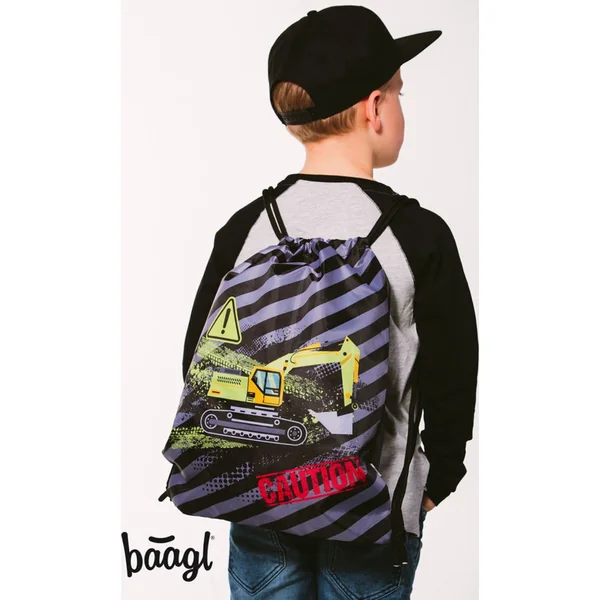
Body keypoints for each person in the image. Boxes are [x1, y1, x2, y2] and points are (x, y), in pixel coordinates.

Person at [181, 6, 478, 599]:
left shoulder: (246, 228)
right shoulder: (416, 235)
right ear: (374, 109)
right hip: (371, 506)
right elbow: (452, 371)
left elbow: (201, 359)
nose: (399, 107)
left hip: (261, 499)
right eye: (398, 93)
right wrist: (440, 474)